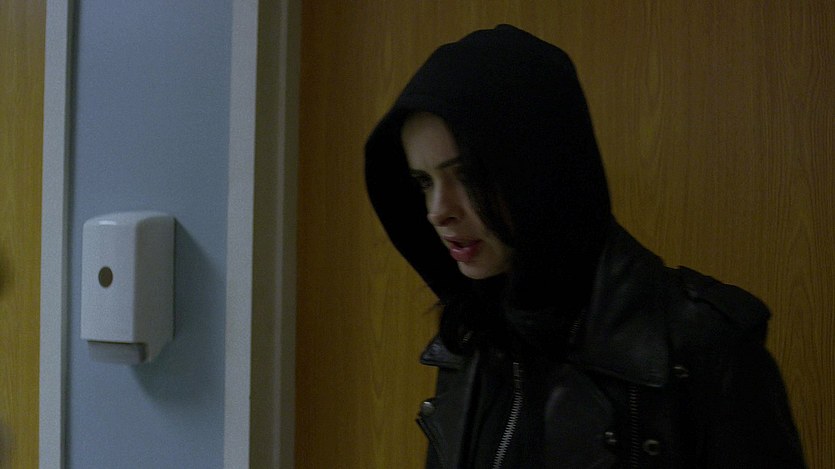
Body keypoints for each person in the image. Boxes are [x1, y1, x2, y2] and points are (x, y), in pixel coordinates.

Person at [364, 24, 805, 468]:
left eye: (468, 175)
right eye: (424, 182)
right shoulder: (471, 342)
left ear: (543, 170)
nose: (438, 211)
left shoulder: (700, 345)